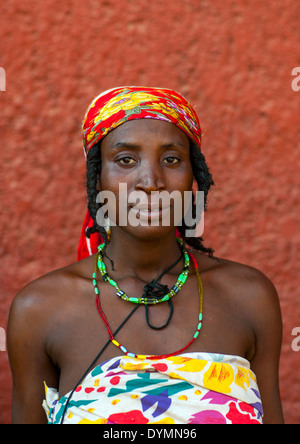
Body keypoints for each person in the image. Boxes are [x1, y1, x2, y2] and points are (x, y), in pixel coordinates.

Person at [8, 87, 284, 424]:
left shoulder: (249, 297)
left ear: (193, 176)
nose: (151, 182)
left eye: (171, 159)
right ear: (98, 178)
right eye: (126, 160)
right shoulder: (40, 310)